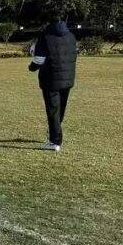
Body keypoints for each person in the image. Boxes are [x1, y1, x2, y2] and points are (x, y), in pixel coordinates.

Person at [28, 18, 77, 151]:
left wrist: (31, 67)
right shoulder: (71, 36)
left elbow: (39, 59)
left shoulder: (45, 36)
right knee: (60, 109)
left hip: (50, 79)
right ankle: (55, 131)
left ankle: (55, 141)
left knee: (53, 110)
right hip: (68, 78)